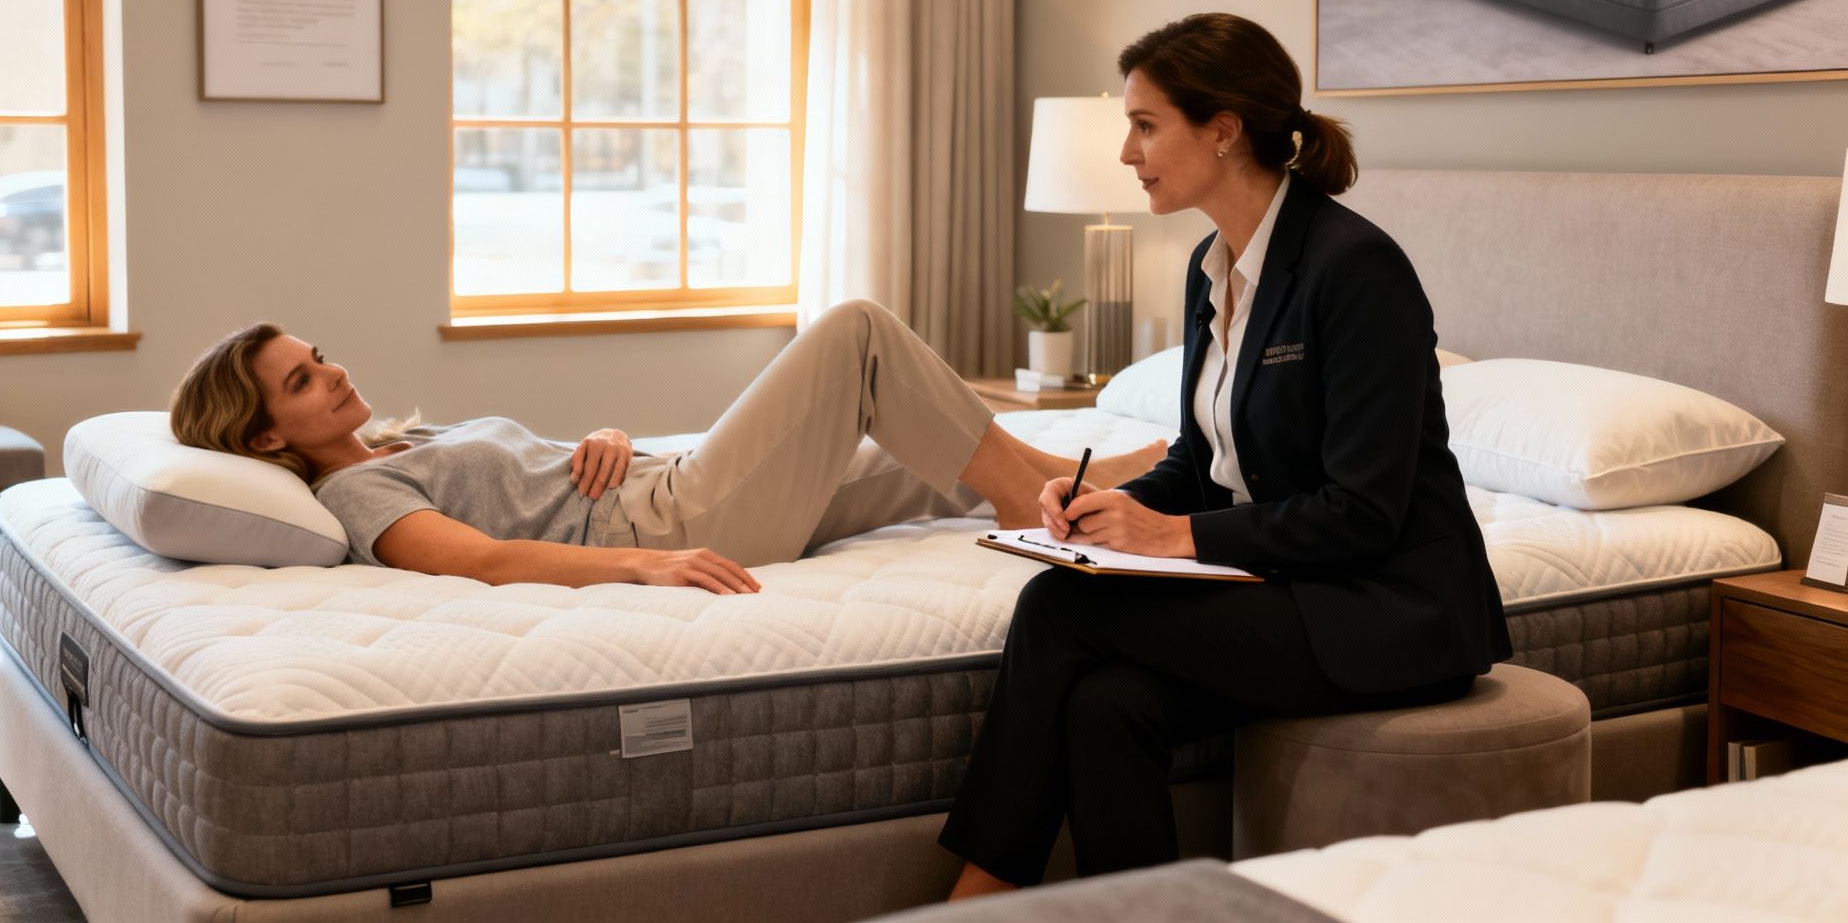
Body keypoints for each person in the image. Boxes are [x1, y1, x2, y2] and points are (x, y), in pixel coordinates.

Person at [938, 13, 1512, 896]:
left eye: (1144, 124)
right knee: (1104, 705)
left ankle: (979, 897)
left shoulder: (1356, 268)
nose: (1127, 152)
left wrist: (1172, 539)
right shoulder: (1213, 265)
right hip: (1291, 590)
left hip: (1386, 610)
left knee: (1059, 608)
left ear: (1223, 130)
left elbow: (1364, 512)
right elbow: (1204, 462)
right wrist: (1110, 509)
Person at [169, 299, 1166, 591]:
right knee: (857, 334)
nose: (333, 372)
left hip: (660, 478)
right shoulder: (354, 499)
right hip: (665, 517)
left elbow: (533, 471)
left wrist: (606, 435)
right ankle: (1030, 495)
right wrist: (644, 565)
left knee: (922, 455)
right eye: (302, 382)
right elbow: (485, 559)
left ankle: (1090, 480)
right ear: (265, 435)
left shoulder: (400, 442)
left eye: (318, 356)